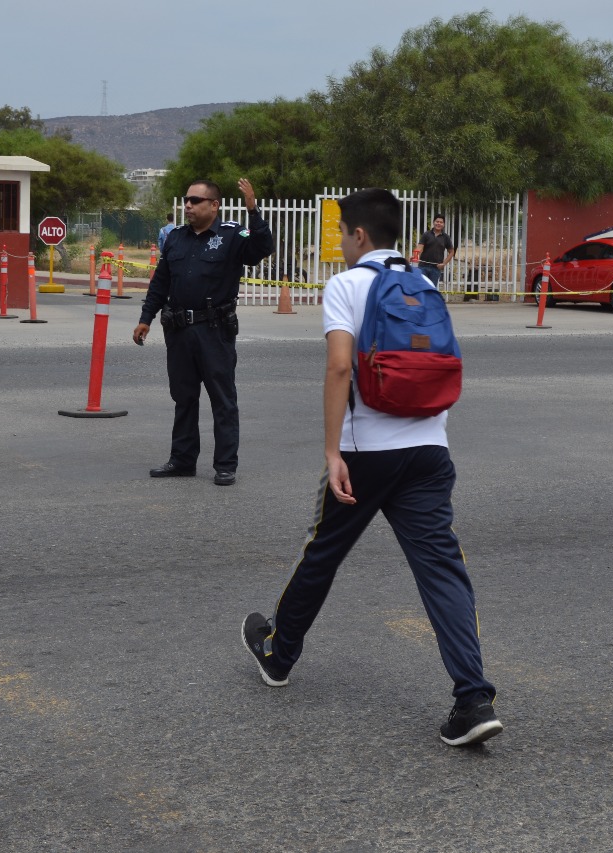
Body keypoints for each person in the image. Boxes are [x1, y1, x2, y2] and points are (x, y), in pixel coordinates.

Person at [241, 188, 502, 748]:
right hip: (429, 450)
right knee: (443, 572)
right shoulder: (424, 282)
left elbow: (340, 368)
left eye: (341, 233)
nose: (339, 243)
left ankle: (278, 655)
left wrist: (333, 452)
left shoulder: (347, 285)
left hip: (366, 453)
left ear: (359, 235)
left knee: (322, 553)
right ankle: (473, 699)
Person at [133, 179, 274, 486]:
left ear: (214, 205)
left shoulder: (232, 235)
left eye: (195, 200)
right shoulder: (176, 238)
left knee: (223, 399)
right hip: (179, 330)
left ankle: (225, 465)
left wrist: (253, 210)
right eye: (187, 200)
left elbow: (262, 249)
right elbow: (161, 281)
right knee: (183, 397)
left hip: (214, 330)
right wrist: (146, 317)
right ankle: (182, 460)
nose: (188, 205)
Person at [415, 214, 456, 288]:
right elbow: (420, 247)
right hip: (423, 266)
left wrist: (444, 263)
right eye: (437, 221)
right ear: (433, 222)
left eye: (441, 222)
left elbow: (451, 252)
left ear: (443, 224)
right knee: (421, 287)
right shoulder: (426, 234)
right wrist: (415, 255)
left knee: (432, 289)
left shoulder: (446, 237)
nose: (439, 223)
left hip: (436, 268)